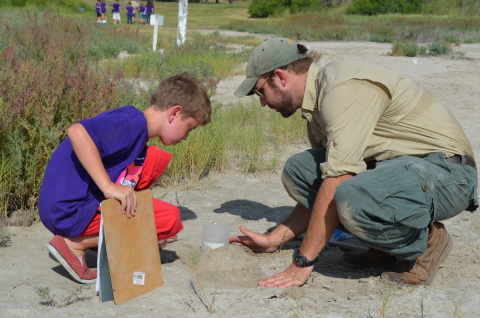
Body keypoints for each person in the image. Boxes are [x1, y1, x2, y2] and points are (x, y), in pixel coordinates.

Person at [231, 37, 478, 288]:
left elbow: (338, 180)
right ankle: (386, 247)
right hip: (400, 169)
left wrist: (301, 263)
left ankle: (427, 242)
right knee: (301, 171)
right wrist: (276, 238)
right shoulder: (316, 108)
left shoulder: (341, 90)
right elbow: (321, 193)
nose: (262, 102)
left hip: (447, 173)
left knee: (351, 193)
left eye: (260, 91)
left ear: (280, 77)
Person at [39, 73, 212, 284]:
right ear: (175, 113)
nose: (186, 137)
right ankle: (75, 244)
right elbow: (77, 131)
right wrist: (109, 188)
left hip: (67, 205)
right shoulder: (131, 123)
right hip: (68, 211)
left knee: (151, 160)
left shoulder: (137, 127)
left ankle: (97, 242)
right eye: (190, 128)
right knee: (169, 219)